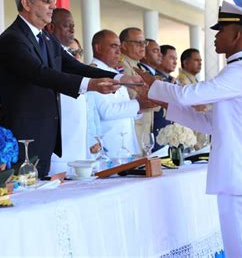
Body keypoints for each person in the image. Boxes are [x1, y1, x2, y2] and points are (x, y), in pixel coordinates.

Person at [137, 1, 242, 257]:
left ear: (237, 35)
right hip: (238, 177)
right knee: (240, 249)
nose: (216, 37)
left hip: (240, 177)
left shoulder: (241, 71)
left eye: (221, 31)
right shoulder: (241, 70)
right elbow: (211, 123)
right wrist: (165, 101)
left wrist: (155, 84)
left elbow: (190, 95)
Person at [0, 0, 142, 177]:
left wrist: (117, 78)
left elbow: (71, 65)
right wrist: (90, 85)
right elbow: (40, 73)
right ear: (26, 3)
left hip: (46, 136)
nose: (53, 6)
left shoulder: (45, 38)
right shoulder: (12, 39)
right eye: (47, 1)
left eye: (53, 1)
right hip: (24, 137)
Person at [89, 30, 152, 159]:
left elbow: (124, 108)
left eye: (118, 47)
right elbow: (105, 111)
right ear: (98, 48)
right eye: (113, 46)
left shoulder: (115, 72)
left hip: (126, 145)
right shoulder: (94, 72)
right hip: (109, 146)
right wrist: (138, 105)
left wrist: (140, 108)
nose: (118, 51)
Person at [46, 9, 87, 175]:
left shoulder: (66, 59)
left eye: (73, 26)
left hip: (79, 147)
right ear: (51, 27)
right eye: (66, 26)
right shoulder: (47, 55)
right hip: (59, 151)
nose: (72, 30)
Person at [119, 27, 158, 152]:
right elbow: (133, 96)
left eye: (144, 43)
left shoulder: (137, 66)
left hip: (144, 129)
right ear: (124, 45)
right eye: (138, 43)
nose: (143, 46)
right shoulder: (123, 66)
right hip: (133, 129)